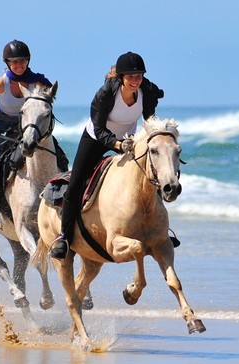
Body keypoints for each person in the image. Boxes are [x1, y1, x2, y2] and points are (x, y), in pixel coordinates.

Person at [51, 51, 164, 259]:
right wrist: (117, 144)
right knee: (76, 184)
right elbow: (99, 128)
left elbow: (150, 122)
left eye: (138, 76)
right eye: (130, 77)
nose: (135, 81)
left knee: (152, 174)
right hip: (96, 139)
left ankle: (159, 231)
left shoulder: (146, 90)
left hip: (128, 138)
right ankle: (64, 238)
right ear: (121, 77)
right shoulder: (105, 94)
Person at [0, 40, 52, 232]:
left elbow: (48, 99)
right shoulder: (3, 82)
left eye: (22, 61)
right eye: (14, 62)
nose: (18, 65)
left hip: (26, 126)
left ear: (28, 61)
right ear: (7, 63)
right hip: (0, 128)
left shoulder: (37, 81)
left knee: (57, 156)